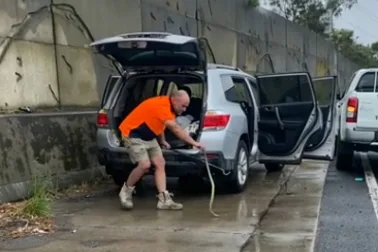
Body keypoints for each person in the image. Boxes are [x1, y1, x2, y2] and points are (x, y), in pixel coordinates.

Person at [118, 90, 204, 210]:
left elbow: (160, 124)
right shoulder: (162, 106)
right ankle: (126, 191)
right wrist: (194, 143)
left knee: (160, 163)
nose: (184, 109)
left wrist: (162, 141)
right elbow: (175, 128)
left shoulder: (171, 108)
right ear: (174, 99)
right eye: (183, 106)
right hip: (132, 134)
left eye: (186, 107)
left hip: (149, 136)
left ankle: (164, 200)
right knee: (144, 165)